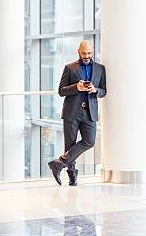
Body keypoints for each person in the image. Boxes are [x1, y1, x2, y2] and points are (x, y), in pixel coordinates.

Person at [47, 40, 107, 186]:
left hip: (90, 112)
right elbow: (61, 91)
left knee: (89, 141)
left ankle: (59, 163)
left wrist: (95, 90)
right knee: (70, 144)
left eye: (89, 53)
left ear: (92, 52)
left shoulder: (100, 68)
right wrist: (77, 87)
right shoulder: (70, 68)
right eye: (83, 53)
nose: (86, 56)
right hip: (71, 112)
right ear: (78, 52)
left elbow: (104, 90)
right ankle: (72, 177)